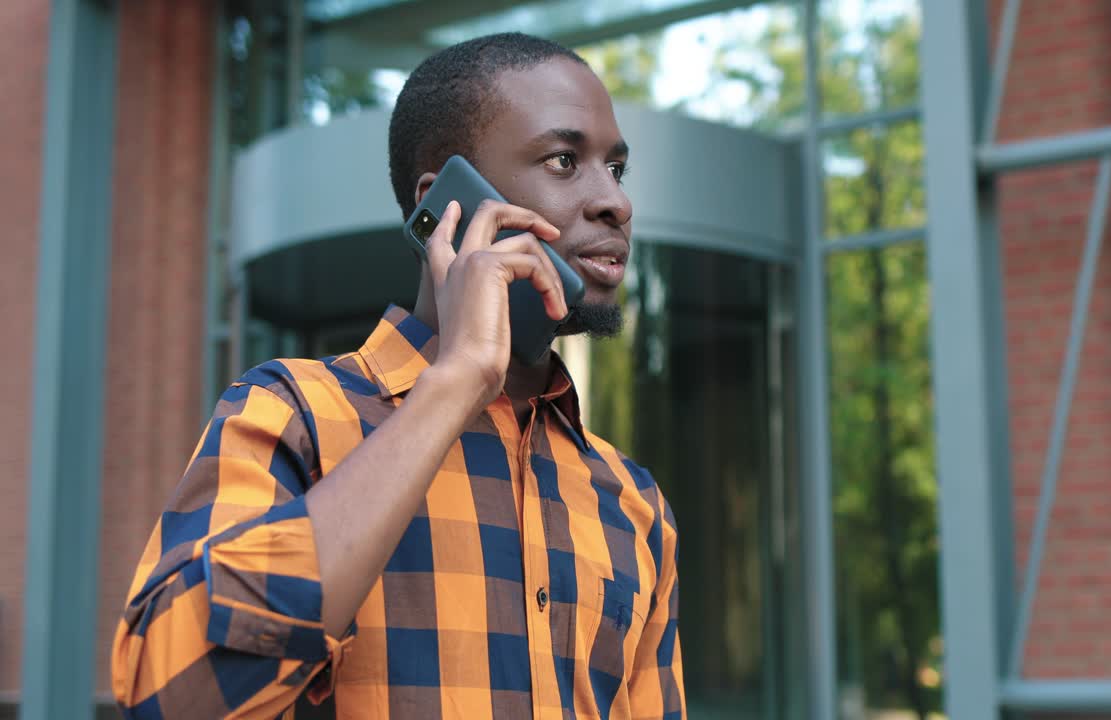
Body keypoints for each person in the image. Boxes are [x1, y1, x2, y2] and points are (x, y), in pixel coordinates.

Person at [111, 32, 684, 720]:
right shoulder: (292, 415)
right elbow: (168, 696)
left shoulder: (634, 503)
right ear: (447, 203)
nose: (614, 202)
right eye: (565, 161)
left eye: (616, 169)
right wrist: (454, 384)